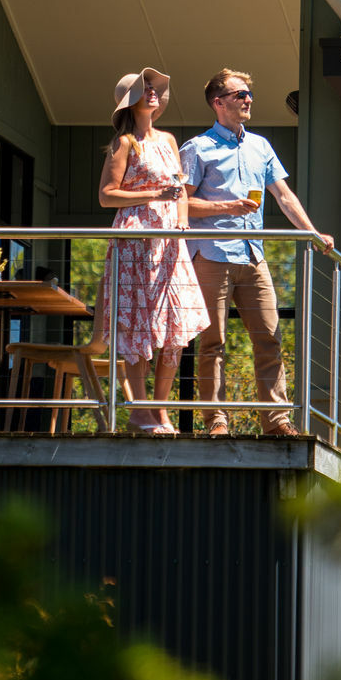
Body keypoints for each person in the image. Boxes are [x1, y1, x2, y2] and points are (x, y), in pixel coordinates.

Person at [180, 68, 333, 436]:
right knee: (212, 343)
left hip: (253, 255)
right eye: (239, 94)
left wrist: (311, 232)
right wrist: (225, 209)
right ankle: (216, 422)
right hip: (212, 255)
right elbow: (181, 204)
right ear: (218, 103)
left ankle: (277, 422)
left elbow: (283, 196)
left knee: (269, 337)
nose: (248, 99)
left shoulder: (260, 146)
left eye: (249, 94)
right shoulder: (197, 148)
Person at [95, 67, 208, 434]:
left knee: (176, 323)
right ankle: (140, 410)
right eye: (146, 89)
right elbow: (106, 196)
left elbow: (179, 190)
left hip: (170, 240)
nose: (154, 92)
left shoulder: (169, 140)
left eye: (155, 87)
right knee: (138, 324)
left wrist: (182, 220)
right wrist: (153, 196)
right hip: (135, 239)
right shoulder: (125, 142)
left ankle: (160, 409)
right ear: (132, 100)